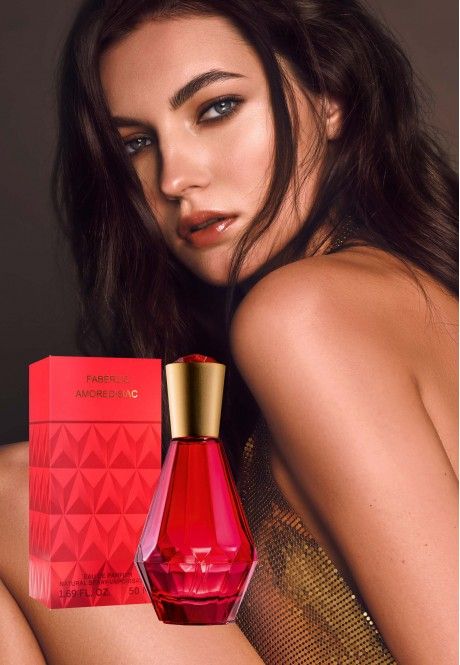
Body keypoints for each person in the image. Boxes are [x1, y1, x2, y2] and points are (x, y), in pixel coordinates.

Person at [0, 0, 457, 663]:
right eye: (136, 143)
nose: (175, 178)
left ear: (331, 98)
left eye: (216, 108)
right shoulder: (384, 296)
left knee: (34, 483)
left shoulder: (303, 314)